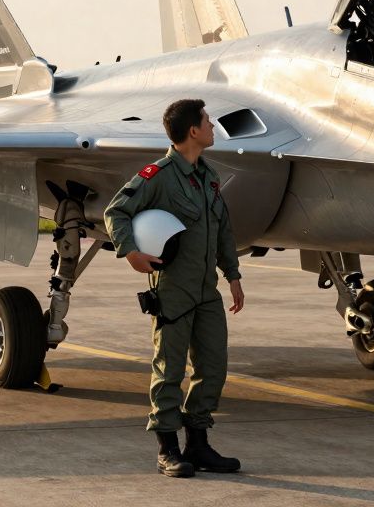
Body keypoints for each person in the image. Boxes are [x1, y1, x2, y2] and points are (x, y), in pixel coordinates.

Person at [104, 98, 244, 479]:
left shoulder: (209, 175)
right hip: (173, 290)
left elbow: (224, 228)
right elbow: (116, 211)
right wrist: (130, 252)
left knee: (213, 366)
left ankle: (198, 444)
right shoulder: (158, 175)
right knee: (169, 368)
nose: (213, 125)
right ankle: (168, 449)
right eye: (207, 121)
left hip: (207, 291)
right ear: (192, 131)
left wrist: (232, 274)